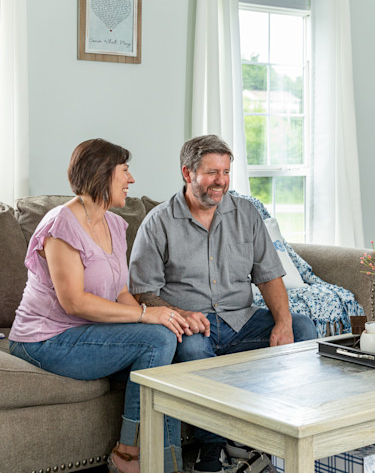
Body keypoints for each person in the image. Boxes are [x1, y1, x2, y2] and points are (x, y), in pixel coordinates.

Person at [128, 134, 317, 473]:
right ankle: (211, 449)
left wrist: (284, 321)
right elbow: (143, 291)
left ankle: (285, 434)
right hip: (190, 325)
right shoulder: (158, 222)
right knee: (192, 352)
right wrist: (182, 315)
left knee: (303, 327)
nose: (221, 181)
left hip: (241, 320)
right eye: (212, 172)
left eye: (226, 172)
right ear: (187, 173)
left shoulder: (246, 213)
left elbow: (269, 275)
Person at [8, 139, 189, 473]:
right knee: (158, 339)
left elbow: (120, 290)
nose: (131, 179)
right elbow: (74, 301)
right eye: (124, 171)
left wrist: (160, 317)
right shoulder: (61, 225)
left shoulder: (114, 224)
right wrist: (146, 315)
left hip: (86, 334)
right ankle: (128, 454)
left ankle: (170, 463)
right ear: (102, 175)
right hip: (44, 340)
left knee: (168, 343)